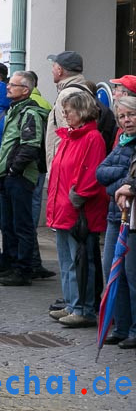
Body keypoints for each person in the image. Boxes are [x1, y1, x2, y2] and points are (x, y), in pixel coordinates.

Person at [47, 89, 107, 328]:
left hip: (77, 212)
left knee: (80, 262)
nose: (65, 115)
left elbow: (91, 173)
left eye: (68, 111)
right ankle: (73, 304)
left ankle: (83, 308)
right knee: (68, 261)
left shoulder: (91, 139)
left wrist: (77, 197)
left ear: (81, 111)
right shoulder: (70, 137)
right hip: (64, 209)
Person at [0, 71, 50, 286]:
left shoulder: (29, 113)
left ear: (25, 90)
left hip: (20, 177)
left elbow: (30, 146)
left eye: (12, 85)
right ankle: (9, 262)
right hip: (10, 176)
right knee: (7, 223)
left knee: (21, 224)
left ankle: (23, 269)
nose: (8, 87)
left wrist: (14, 170)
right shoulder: (15, 109)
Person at [95, 95, 136, 346]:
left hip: (132, 217)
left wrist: (124, 183)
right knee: (112, 270)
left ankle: (134, 328)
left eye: (131, 115)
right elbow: (101, 173)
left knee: (132, 275)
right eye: (122, 116)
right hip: (115, 215)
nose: (126, 120)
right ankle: (120, 325)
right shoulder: (121, 142)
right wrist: (122, 182)